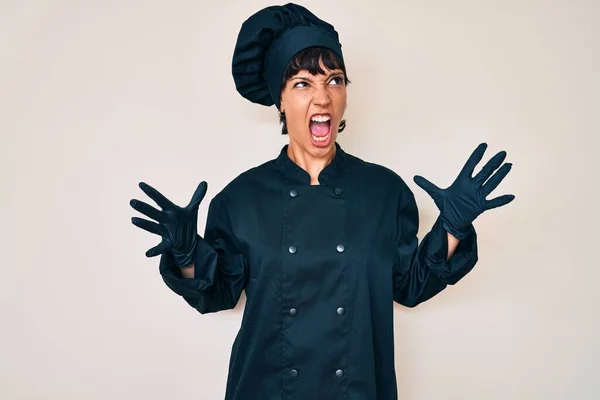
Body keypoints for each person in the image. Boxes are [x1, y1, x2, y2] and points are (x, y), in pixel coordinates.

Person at [129, 3, 514, 399]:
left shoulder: (383, 191)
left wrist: (452, 227)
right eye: (302, 83)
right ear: (279, 99)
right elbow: (217, 294)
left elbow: (410, 286)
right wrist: (187, 253)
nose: (323, 97)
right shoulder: (241, 199)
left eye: (334, 80)